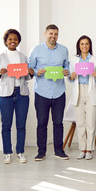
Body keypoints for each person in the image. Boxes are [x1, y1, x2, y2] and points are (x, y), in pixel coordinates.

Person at [28, 24, 70, 161]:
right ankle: (41, 151)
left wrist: (66, 71)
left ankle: (59, 150)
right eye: (51, 33)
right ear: (45, 34)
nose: (53, 36)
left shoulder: (64, 50)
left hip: (59, 92)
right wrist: (35, 72)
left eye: (56, 34)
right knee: (42, 123)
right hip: (42, 92)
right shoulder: (36, 49)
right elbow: (29, 67)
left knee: (58, 123)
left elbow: (67, 66)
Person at [0, 29, 34, 164]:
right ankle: (7, 153)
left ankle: (20, 152)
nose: (13, 41)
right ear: (5, 41)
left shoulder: (23, 57)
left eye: (15, 39)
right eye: (10, 39)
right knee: (6, 125)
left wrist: (31, 72)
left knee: (21, 125)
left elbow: (27, 76)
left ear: (18, 41)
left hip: (22, 93)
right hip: (5, 95)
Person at [69, 35, 96, 160]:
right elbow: (71, 79)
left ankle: (89, 150)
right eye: (82, 44)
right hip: (78, 91)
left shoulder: (95, 59)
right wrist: (71, 76)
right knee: (80, 123)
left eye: (87, 44)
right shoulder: (73, 59)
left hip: (90, 91)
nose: (84, 46)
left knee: (90, 123)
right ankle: (82, 149)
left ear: (90, 45)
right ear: (79, 46)